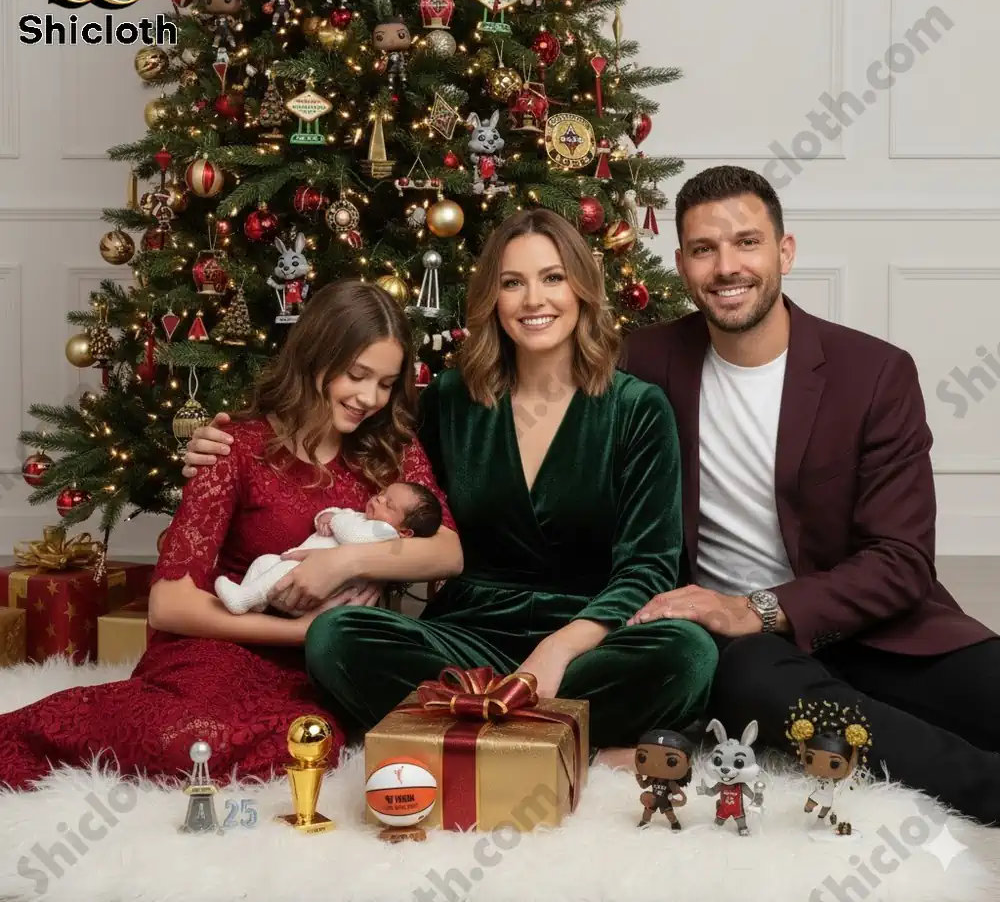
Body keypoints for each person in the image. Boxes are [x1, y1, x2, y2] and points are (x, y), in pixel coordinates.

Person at [183, 209, 719, 754]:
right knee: (335, 638)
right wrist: (231, 443)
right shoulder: (451, 399)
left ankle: (467, 735)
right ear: (493, 297)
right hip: (466, 638)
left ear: (582, 287)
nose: (534, 300)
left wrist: (557, 651)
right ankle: (559, 737)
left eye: (553, 277)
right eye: (513, 283)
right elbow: (356, 453)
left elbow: (650, 564)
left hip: (587, 640)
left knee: (688, 652)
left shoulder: (637, 408)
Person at [620, 164, 1000, 822]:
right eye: (704, 249)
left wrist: (761, 607)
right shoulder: (644, 363)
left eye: (747, 242)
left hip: (874, 627)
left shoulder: (874, 373)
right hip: (747, 657)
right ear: (681, 264)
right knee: (754, 685)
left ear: (784, 252)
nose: (726, 266)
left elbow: (901, 559)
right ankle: (984, 787)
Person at [0, 281, 459, 791]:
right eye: (357, 376)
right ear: (314, 357)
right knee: (191, 738)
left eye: (386, 384)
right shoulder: (235, 447)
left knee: (312, 741)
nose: (369, 398)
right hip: (226, 642)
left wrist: (344, 565)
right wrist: (306, 631)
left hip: (328, 664)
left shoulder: (392, 450)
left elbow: (448, 551)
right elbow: (169, 606)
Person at [215, 482, 442, 615]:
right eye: (382, 494)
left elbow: (352, 536)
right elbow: (338, 516)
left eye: (389, 504)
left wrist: (333, 519)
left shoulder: (385, 533)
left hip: (316, 591)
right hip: (297, 570)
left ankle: (243, 600)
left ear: (405, 532)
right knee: (264, 562)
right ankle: (252, 600)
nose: (379, 499)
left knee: (286, 570)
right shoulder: (361, 516)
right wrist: (323, 517)